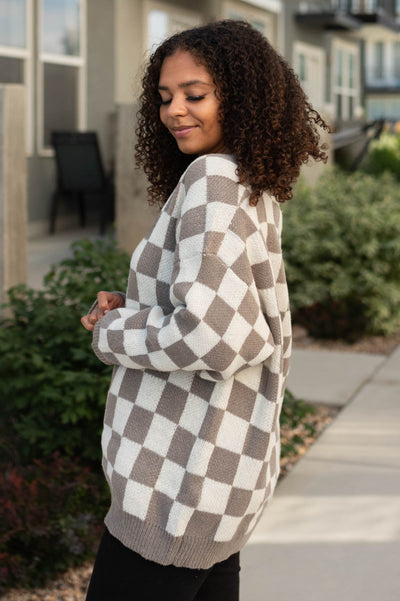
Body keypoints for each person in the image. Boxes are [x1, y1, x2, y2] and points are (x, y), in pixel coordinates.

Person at [81, 20, 329, 601]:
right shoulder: (248, 179)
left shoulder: (213, 180)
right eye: (165, 97)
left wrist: (113, 331)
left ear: (238, 97)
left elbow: (215, 336)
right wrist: (143, 304)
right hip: (216, 484)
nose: (174, 111)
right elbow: (229, 311)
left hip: (171, 487)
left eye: (195, 94)